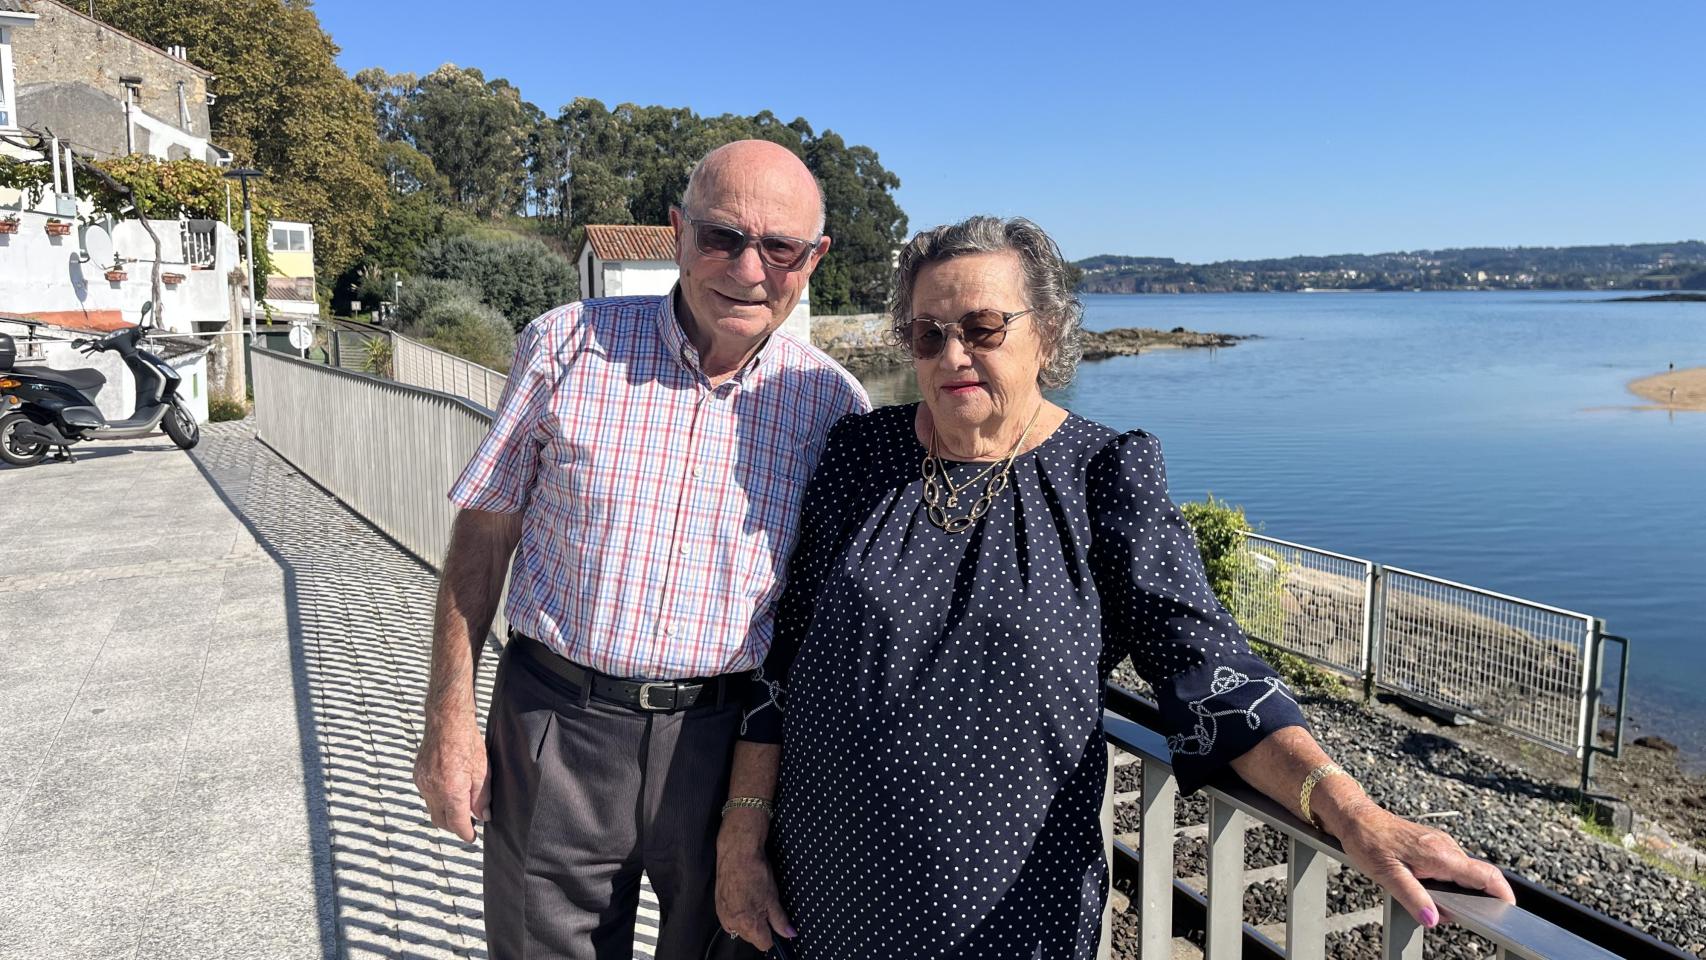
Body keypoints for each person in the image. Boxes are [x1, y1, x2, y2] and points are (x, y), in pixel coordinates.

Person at [714, 216, 1516, 959]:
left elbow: (1207, 671)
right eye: (928, 332)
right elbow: (785, 666)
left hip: (1006, 918)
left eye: (983, 327)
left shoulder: (1103, 475)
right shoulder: (862, 454)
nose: (954, 353)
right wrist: (741, 841)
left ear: (1049, 333)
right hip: (818, 897)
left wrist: (1354, 814)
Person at [412, 139, 869, 960]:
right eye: (722, 236)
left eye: (780, 248)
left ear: (813, 259)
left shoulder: (832, 403)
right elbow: (483, 533)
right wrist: (447, 716)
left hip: (730, 750)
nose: (748, 267)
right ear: (677, 231)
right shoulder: (564, 345)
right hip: (556, 722)